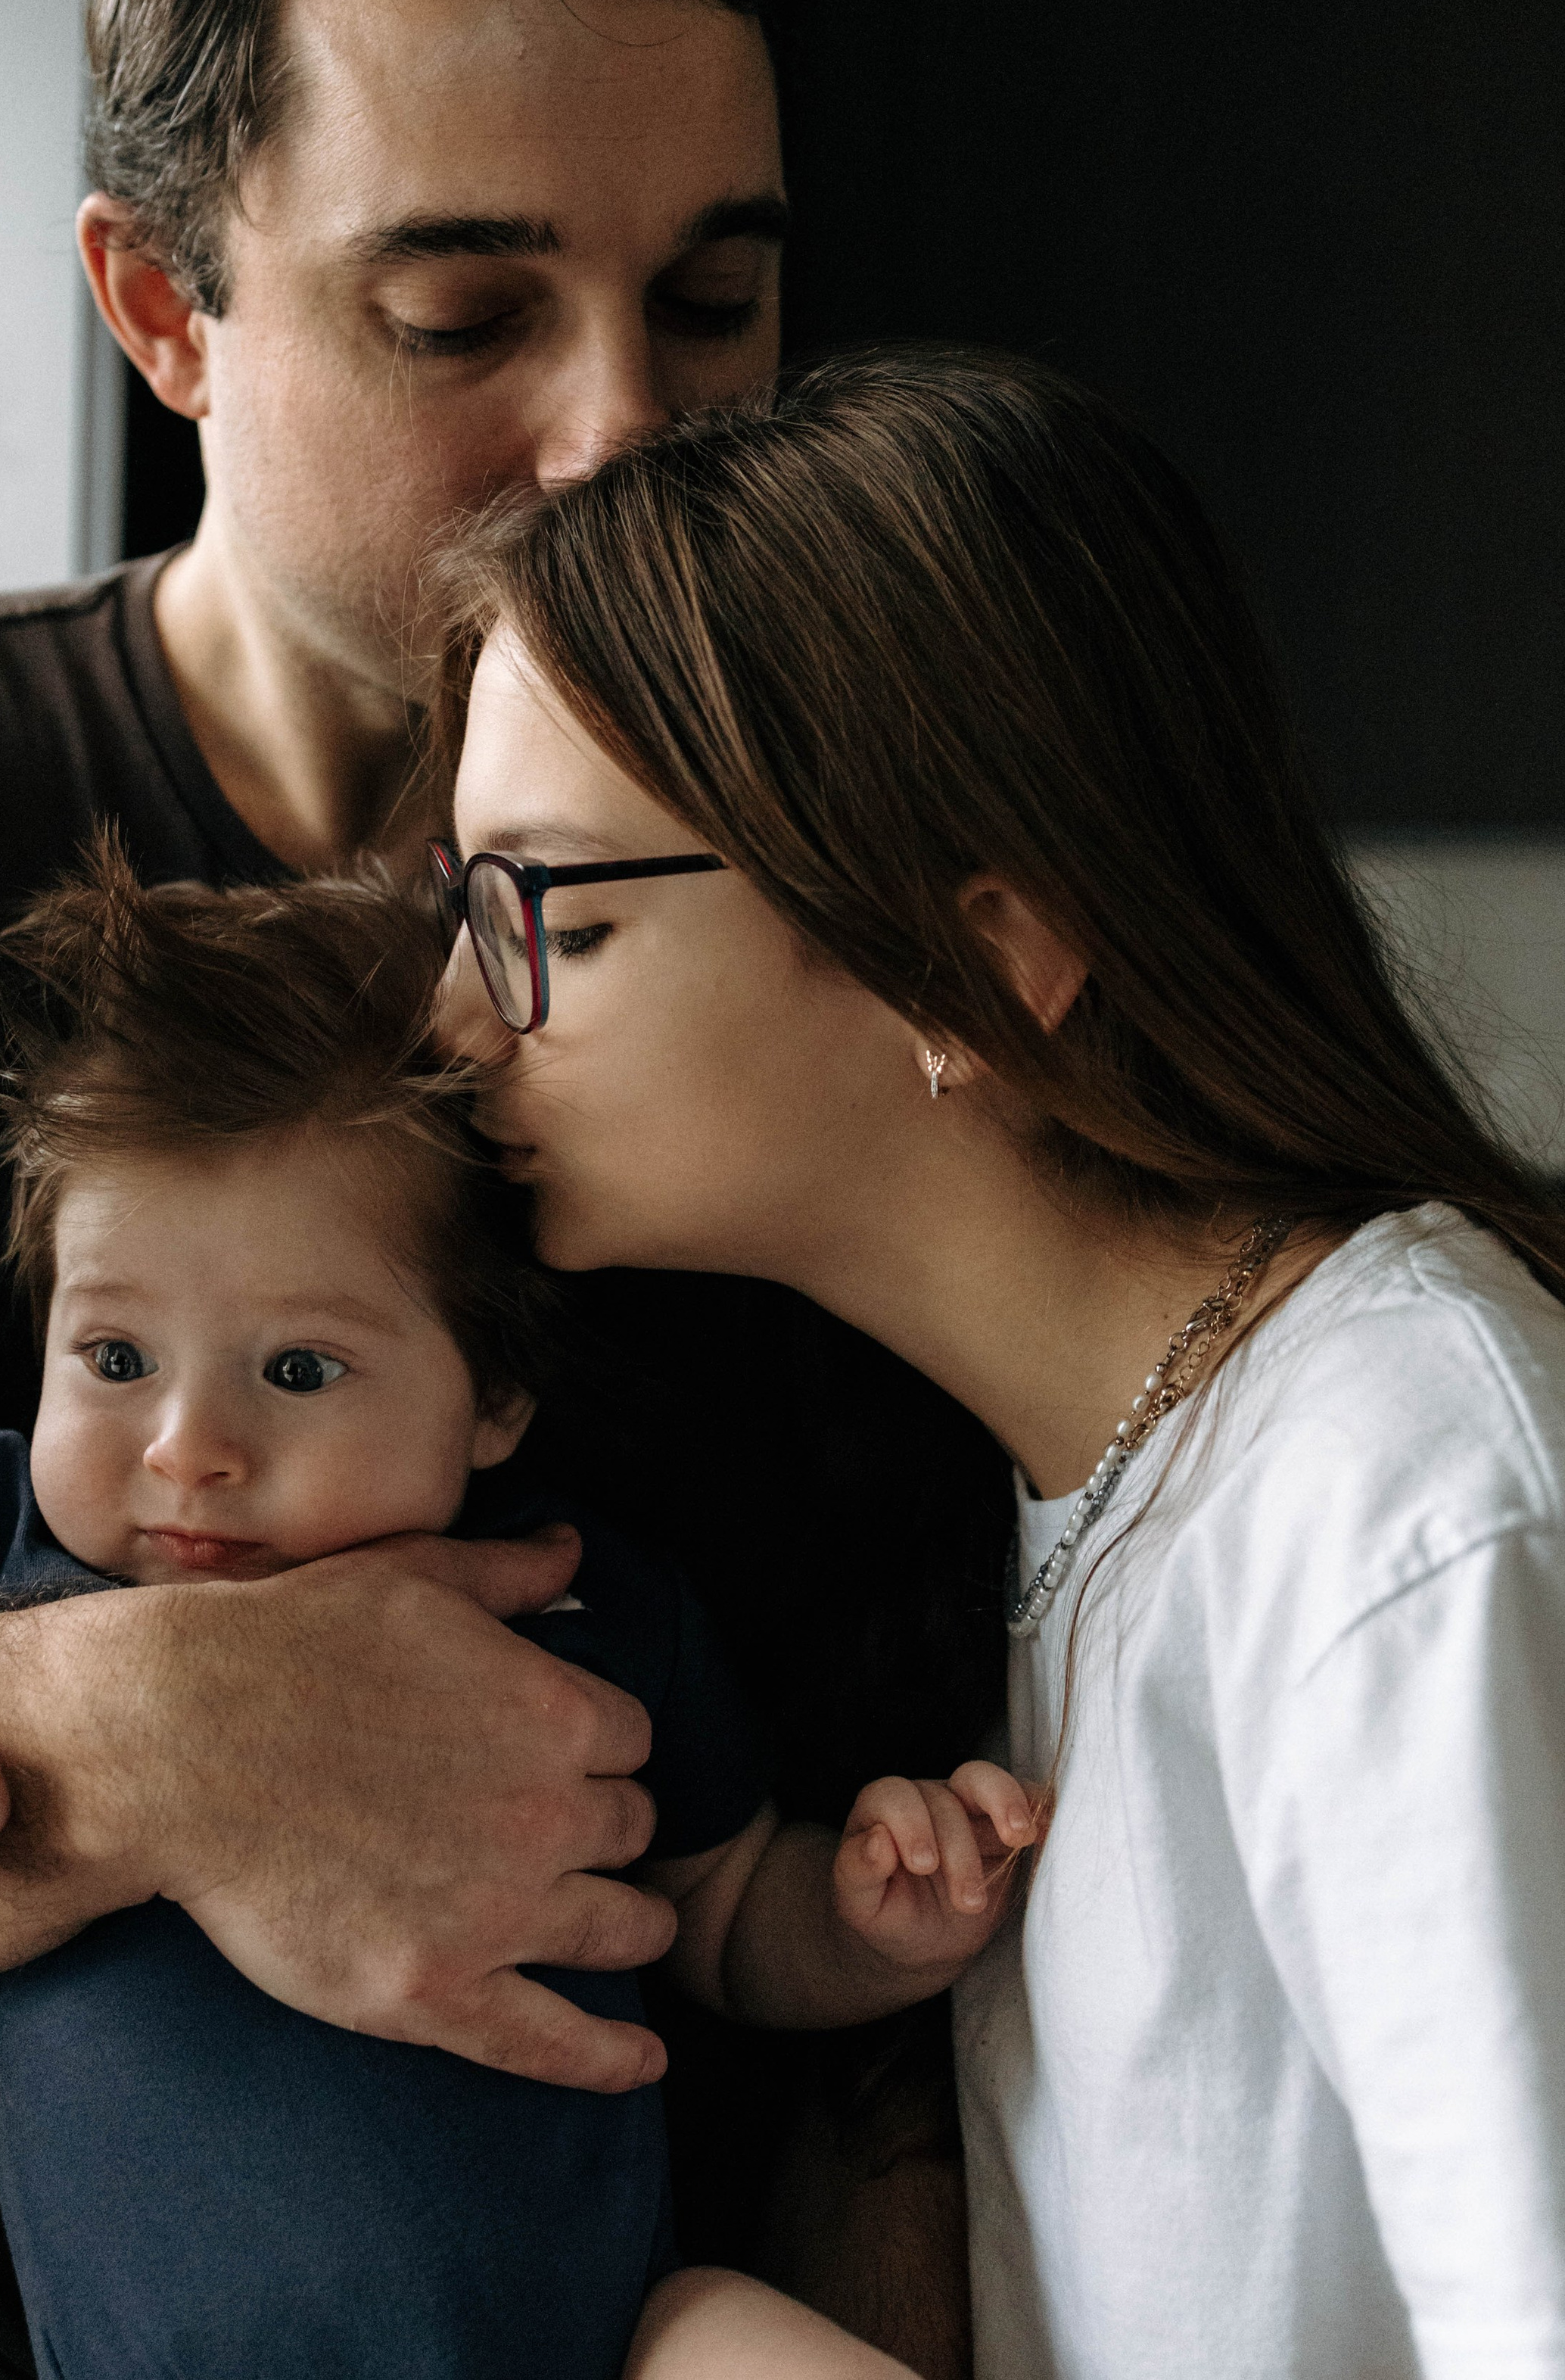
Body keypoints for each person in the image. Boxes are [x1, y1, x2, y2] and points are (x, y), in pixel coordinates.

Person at [0, 0, 1000, 2380]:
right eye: (465, 312)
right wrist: (153, 1729)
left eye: (716, 297)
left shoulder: (868, 894)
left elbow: (889, 2036)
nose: (626, 429)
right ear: (165, 309)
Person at [435, 341, 1565, 2378]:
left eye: (552, 919)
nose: (459, 1015)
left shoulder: (1408, 1491)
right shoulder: (1083, 1493)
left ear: (977, 959)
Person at [0, 848, 1031, 2380]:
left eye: (298, 1369)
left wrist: (860, 1923)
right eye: (110, 1357)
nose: (185, 1444)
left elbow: (716, 1905)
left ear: (491, 1399)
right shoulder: (9, 1541)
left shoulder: (576, 1598)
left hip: (605, 2342)